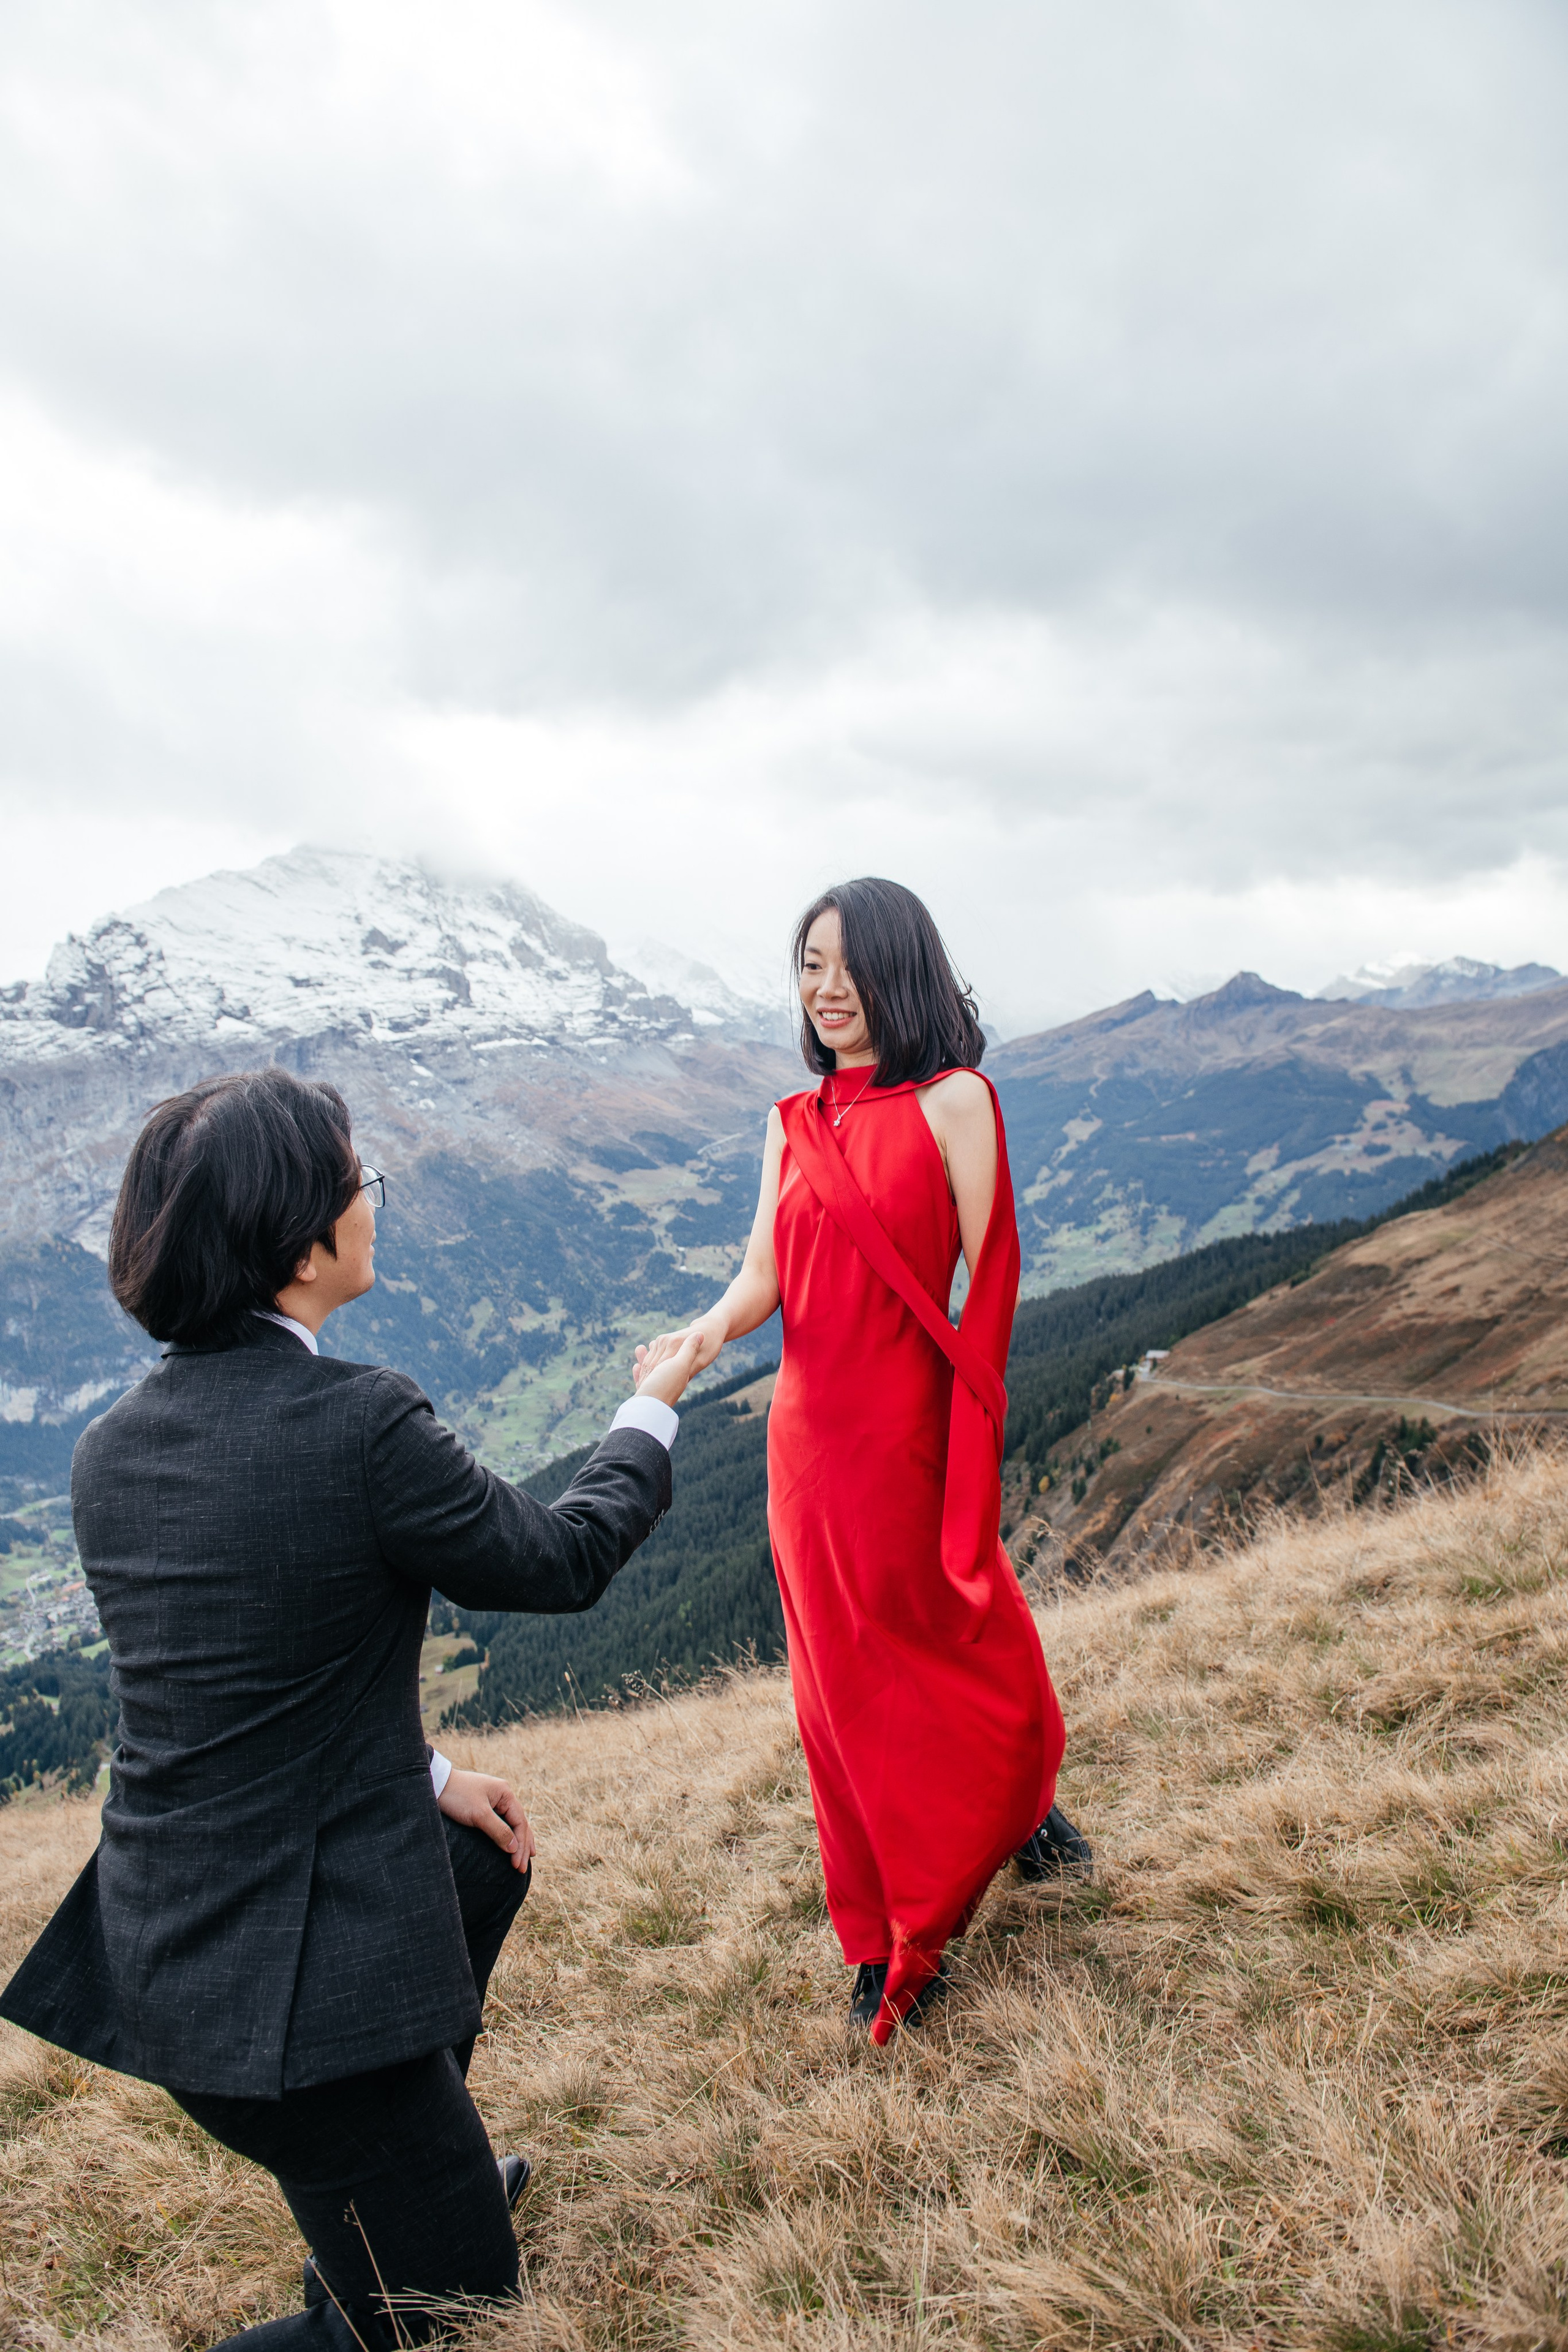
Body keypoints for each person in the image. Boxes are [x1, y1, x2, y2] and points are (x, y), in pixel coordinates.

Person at [0, 1068, 701, 2351]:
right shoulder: (356, 1424)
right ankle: (393, 2239)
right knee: (449, 2320)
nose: (371, 1208)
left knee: (469, 1860)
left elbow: (251, 1675)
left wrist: (432, 1776)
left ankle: (402, 2184)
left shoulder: (114, 1449)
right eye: (356, 1186)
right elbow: (556, 1561)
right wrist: (649, 1406)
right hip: (292, 2005)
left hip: (167, 1951)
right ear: (302, 1240)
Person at [635, 878, 1088, 2043]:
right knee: (841, 1686)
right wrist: (700, 1338)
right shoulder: (791, 1123)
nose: (825, 991)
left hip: (911, 1425)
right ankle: (886, 1928)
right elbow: (762, 1278)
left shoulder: (955, 1103)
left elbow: (990, 1274)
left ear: (902, 972)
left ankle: (1012, 1808)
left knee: (949, 1625)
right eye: (808, 967)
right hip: (809, 1441)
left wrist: (976, 1421)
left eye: (847, 966)